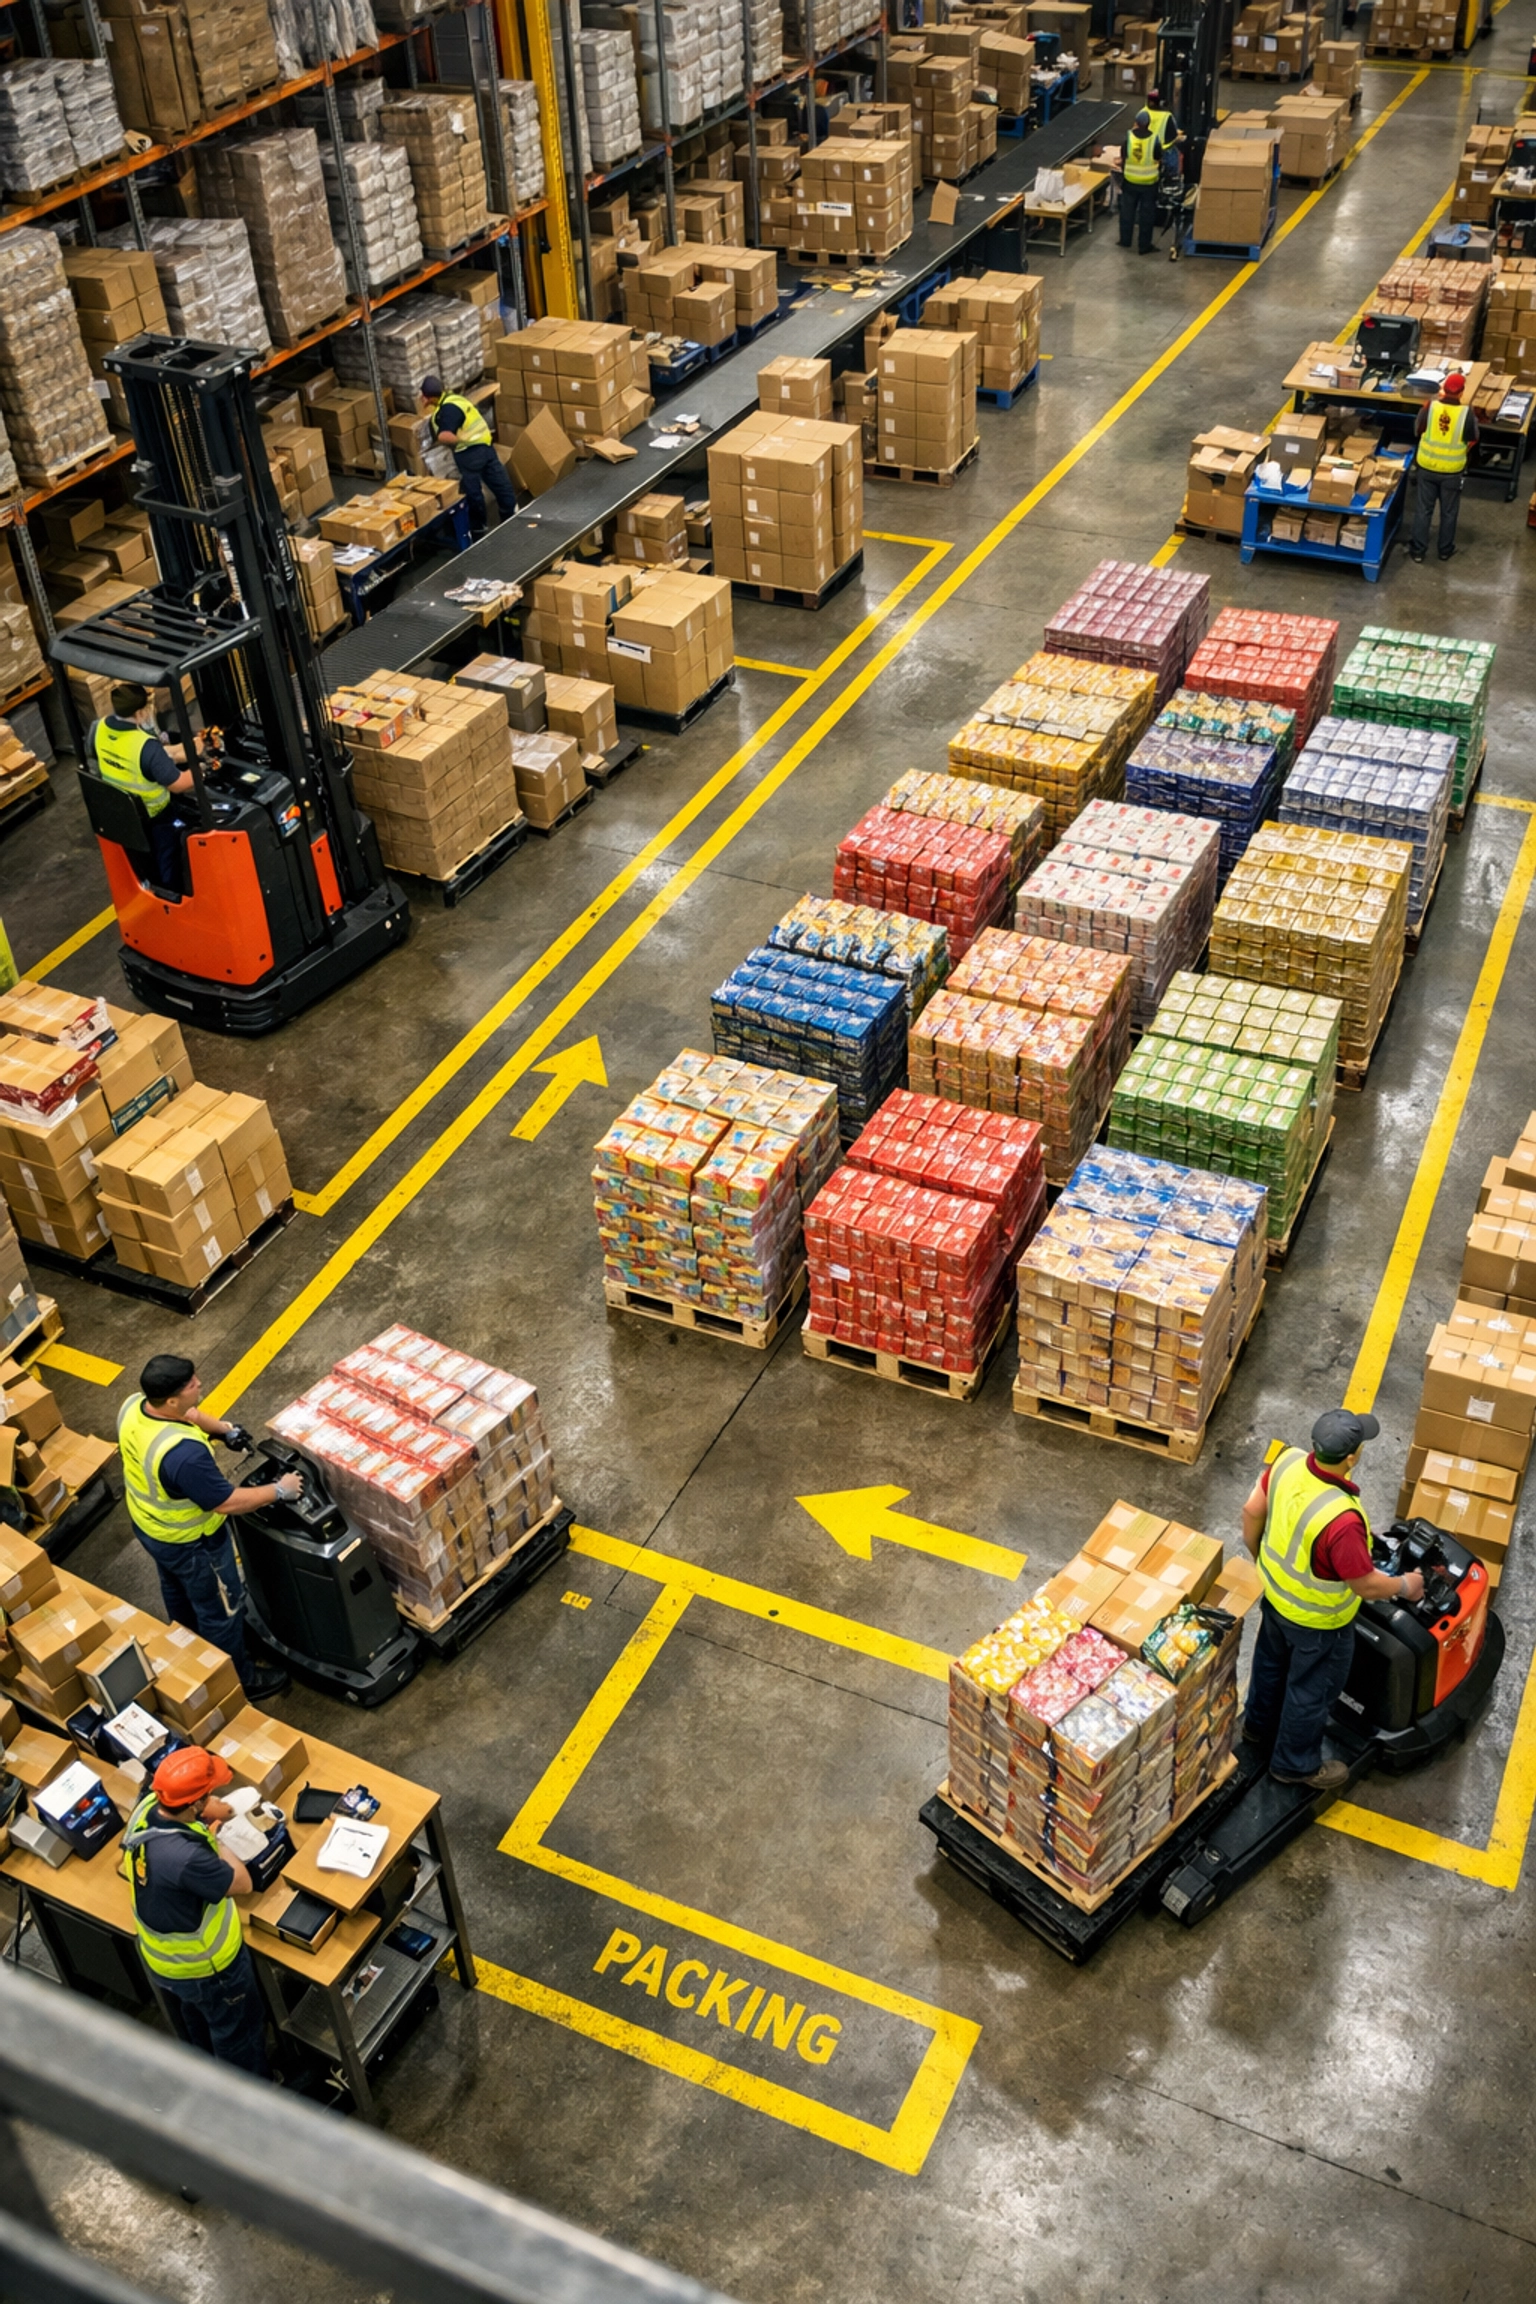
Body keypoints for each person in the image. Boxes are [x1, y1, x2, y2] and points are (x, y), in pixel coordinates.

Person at [1240, 1409, 1424, 1792]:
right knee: (1310, 1691)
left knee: (1270, 1666)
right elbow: (1366, 1585)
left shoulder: (1287, 1462)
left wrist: (1262, 1559)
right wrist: (1406, 1585)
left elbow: (1251, 1511)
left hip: (1275, 1600)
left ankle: (1257, 1729)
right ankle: (1294, 1765)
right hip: (1319, 1625)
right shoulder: (1341, 1520)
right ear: (1351, 1457)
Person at [118, 1355, 303, 1703]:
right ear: (171, 1398)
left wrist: (223, 1429)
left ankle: (188, 1643)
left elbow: (187, 1415)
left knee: (175, 1586)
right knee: (223, 1608)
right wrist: (281, 1490)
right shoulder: (184, 1457)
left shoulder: (135, 1406)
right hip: (193, 1543)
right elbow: (227, 1502)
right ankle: (240, 1679)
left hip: (152, 1529)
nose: (199, 1383)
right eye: (191, 1384)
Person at [122, 1745, 271, 2079]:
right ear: (193, 1804)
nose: (211, 1800)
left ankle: (207, 2083)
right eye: (207, 1795)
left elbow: (211, 1808)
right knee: (238, 2035)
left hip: (165, 1962)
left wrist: (224, 1808)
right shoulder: (187, 1859)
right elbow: (242, 1883)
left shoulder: (149, 1806)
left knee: (198, 2024)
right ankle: (252, 2106)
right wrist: (216, 1840)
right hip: (211, 1969)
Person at [91, 683, 199, 893]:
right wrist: (201, 771)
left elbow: (134, 759)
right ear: (140, 712)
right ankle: (172, 893)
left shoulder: (99, 727)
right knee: (168, 862)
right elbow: (179, 785)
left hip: (123, 813)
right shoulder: (146, 745)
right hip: (157, 817)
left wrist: (180, 751)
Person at [421, 372, 519, 537]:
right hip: (486, 447)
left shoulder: (447, 410)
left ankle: (478, 528)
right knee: (500, 483)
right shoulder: (456, 400)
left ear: (428, 397)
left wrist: (458, 442)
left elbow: (445, 435)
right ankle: (511, 517)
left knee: (473, 493)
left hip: (469, 454)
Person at [1410, 371, 1478, 564]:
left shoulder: (1430, 407)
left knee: (1423, 510)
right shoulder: (1467, 414)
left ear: (1443, 389)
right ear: (1462, 392)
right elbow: (1474, 438)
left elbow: (1417, 429)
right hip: (1452, 472)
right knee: (1449, 512)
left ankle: (1418, 551)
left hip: (1427, 466)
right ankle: (1445, 550)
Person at [1117, 108, 1170, 255]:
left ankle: (1125, 240)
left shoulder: (1128, 138)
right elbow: (1159, 157)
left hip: (1130, 181)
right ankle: (1144, 246)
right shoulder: (1154, 139)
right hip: (1148, 184)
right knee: (1146, 215)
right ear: (1148, 124)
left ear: (1136, 123)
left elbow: (1123, 156)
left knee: (1127, 212)